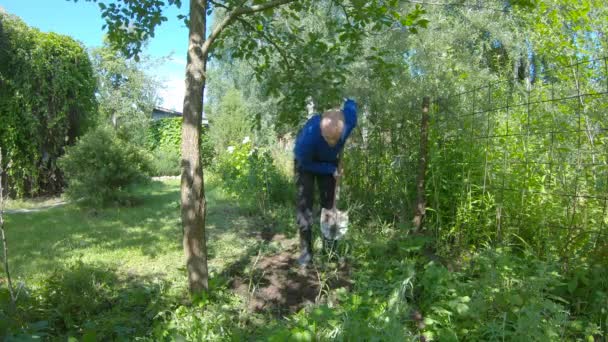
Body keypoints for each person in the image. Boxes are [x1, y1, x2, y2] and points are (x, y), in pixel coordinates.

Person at [293, 98, 358, 266]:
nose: (331, 143)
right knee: (305, 204)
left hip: (329, 162)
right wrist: (330, 170)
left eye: (335, 140)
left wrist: (347, 99)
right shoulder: (306, 141)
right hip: (307, 163)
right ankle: (306, 254)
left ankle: (330, 250)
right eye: (327, 138)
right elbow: (305, 163)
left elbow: (351, 103)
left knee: (329, 204)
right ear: (321, 131)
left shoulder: (349, 122)